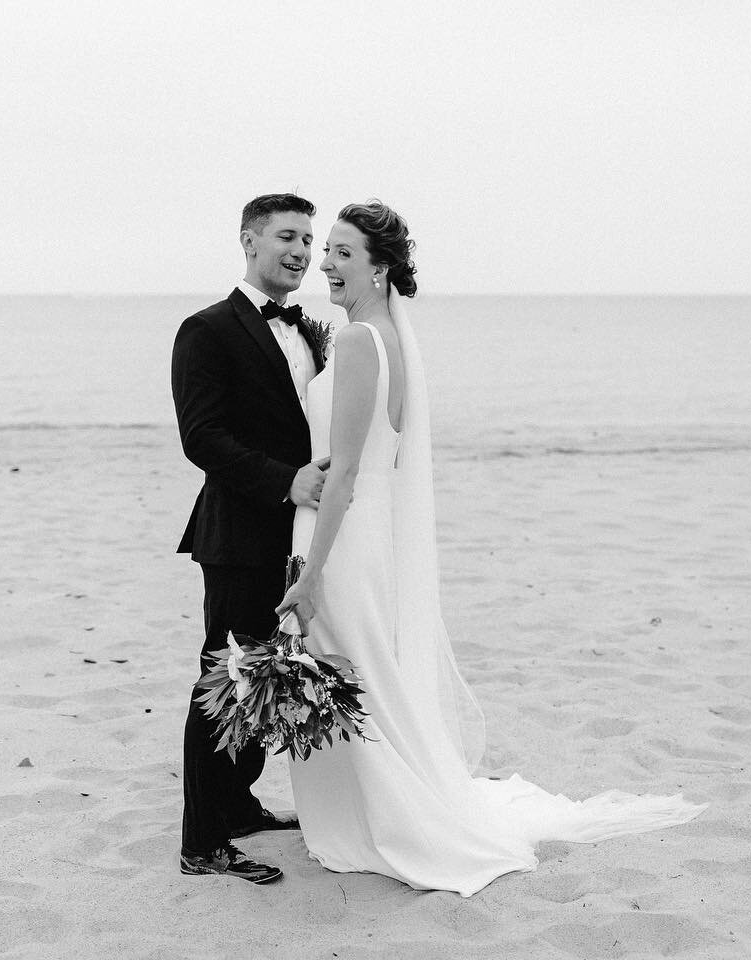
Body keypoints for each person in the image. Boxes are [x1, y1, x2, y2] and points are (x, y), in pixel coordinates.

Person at [275, 201, 707, 897]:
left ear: (379, 268)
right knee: (361, 676)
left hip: (343, 535)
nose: (325, 263)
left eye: (342, 253)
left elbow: (347, 473)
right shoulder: (387, 337)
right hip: (370, 532)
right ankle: (376, 807)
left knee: (352, 676)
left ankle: (389, 819)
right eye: (325, 250)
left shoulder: (359, 342)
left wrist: (311, 571)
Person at [170, 193, 330, 884]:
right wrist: (284, 481)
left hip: (293, 535)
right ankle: (202, 843)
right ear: (249, 241)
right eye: (287, 237)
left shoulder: (307, 331)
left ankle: (237, 805)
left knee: (267, 677)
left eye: (308, 239)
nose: (300, 251)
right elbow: (201, 438)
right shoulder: (205, 329)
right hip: (237, 533)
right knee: (224, 682)